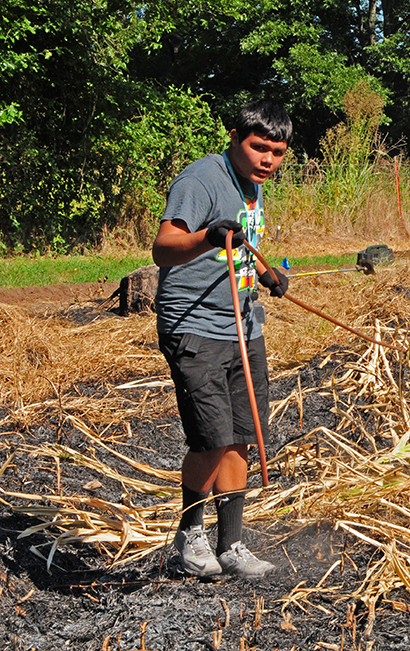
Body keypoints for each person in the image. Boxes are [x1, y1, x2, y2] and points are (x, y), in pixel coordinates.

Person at [152, 100, 292, 578]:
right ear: (234, 137)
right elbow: (164, 247)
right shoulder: (200, 179)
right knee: (211, 438)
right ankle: (187, 541)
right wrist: (207, 238)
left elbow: (239, 246)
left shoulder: (254, 184)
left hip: (243, 325)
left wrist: (266, 272)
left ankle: (230, 545)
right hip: (196, 326)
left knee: (241, 439)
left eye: (277, 151)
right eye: (258, 148)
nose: (267, 160)